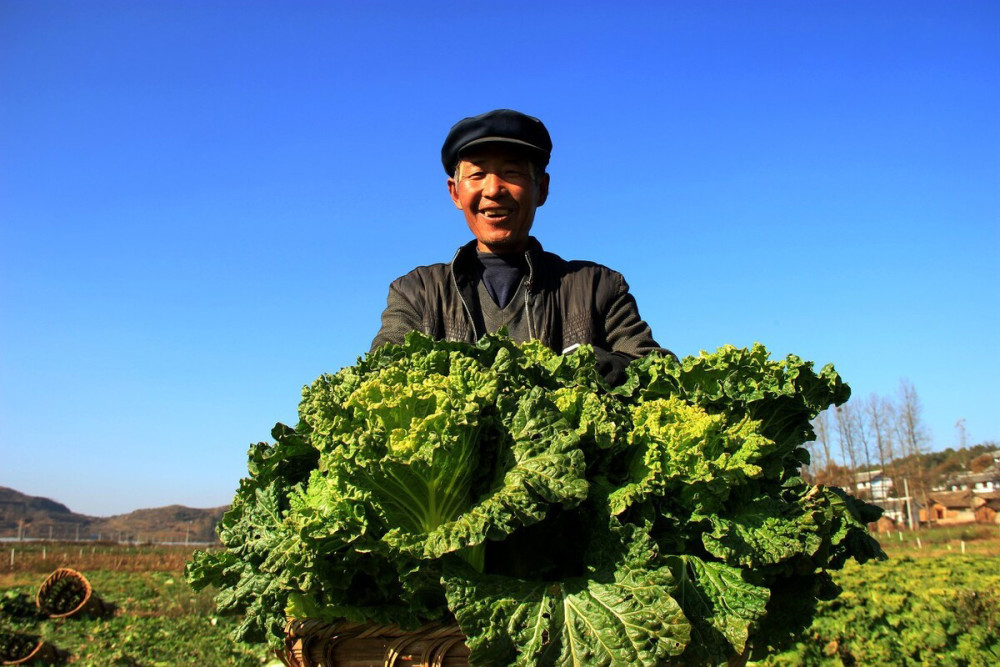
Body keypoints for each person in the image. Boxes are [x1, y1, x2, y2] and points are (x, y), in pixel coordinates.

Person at [370, 109, 669, 384]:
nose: (493, 189)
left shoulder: (598, 287)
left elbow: (656, 370)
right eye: (477, 175)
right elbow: (379, 379)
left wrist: (615, 369)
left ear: (541, 189)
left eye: (511, 173)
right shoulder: (417, 293)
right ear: (455, 193)